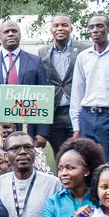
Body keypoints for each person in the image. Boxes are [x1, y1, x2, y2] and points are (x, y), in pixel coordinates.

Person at [69, 14, 109, 152]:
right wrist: (76, 126)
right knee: (85, 161)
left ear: (108, 29)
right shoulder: (83, 57)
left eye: (100, 26)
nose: (95, 30)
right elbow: (77, 93)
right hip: (87, 117)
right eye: (91, 27)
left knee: (108, 162)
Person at [0, 19, 48, 143]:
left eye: (14, 31)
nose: (11, 34)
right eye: (6, 31)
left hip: (27, 122)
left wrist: (42, 132)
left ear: (19, 34)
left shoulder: (35, 61)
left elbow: (45, 98)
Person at [37, 14, 78, 154]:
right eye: (56, 25)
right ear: (51, 30)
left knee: (78, 154)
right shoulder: (42, 53)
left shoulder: (84, 49)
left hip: (76, 112)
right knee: (59, 155)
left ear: (71, 28)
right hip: (54, 114)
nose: (60, 28)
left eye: (64, 25)